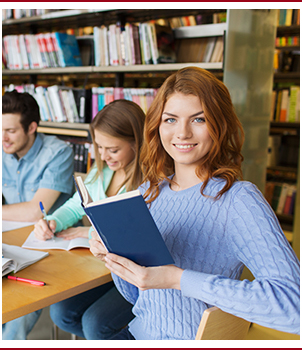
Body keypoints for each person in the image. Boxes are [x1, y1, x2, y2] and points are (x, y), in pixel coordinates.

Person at [90, 66, 300, 340]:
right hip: (139, 334)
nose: (183, 133)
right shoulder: (147, 193)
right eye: (171, 120)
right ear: (157, 125)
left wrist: (178, 279)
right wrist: (114, 257)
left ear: (219, 125)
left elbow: (294, 308)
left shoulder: (238, 200)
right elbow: (136, 296)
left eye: (199, 119)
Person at [34, 99, 146, 339]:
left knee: (95, 324)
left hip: (136, 272)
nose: (104, 156)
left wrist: (87, 233)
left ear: (137, 143)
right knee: (62, 313)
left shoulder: (150, 183)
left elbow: (129, 234)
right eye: (99, 147)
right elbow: (76, 206)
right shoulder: (102, 171)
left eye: (113, 149)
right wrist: (53, 221)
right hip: (107, 268)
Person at [2, 90, 74, 340]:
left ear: (31, 127)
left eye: (10, 131)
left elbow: (36, 211)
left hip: (52, 248)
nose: (3, 138)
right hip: (11, 242)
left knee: (15, 316)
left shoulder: (58, 152)